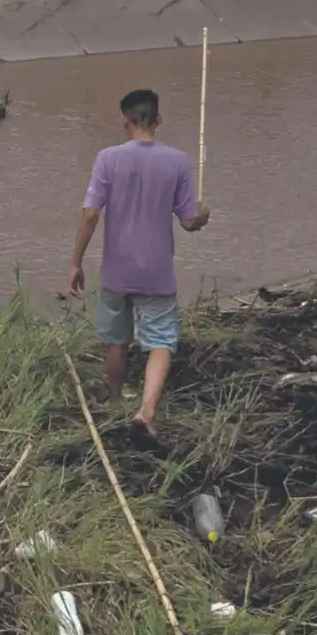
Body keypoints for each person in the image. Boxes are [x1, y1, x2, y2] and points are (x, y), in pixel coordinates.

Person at [68, 89, 211, 433]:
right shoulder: (177, 160)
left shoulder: (107, 158)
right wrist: (203, 214)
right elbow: (190, 222)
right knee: (161, 339)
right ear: (158, 119)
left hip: (117, 270)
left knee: (117, 339)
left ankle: (116, 396)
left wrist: (76, 261)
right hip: (157, 271)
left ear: (124, 121)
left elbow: (90, 214)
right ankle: (146, 410)